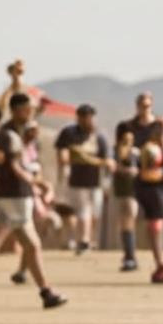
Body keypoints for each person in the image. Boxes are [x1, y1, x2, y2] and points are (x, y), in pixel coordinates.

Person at [0, 94, 68, 309]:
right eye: (27, 109)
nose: (30, 113)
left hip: (18, 197)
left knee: (22, 244)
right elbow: (12, 167)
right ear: (17, 109)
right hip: (12, 197)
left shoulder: (16, 133)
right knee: (15, 243)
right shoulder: (8, 135)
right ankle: (44, 291)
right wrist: (36, 183)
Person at [114, 93, 163, 271]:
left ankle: (160, 260)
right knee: (129, 211)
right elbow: (119, 153)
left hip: (153, 181)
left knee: (156, 221)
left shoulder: (159, 126)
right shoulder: (126, 127)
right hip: (130, 178)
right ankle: (129, 256)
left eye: (147, 105)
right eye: (142, 105)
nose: (144, 108)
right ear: (137, 105)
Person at [54, 104, 110, 255]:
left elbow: (106, 160)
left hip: (96, 181)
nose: (86, 119)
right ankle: (83, 241)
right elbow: (62, 156)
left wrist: (87, 159)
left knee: (94, 214)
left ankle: (88, 240)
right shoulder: (69, 133)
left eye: (89, 116)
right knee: (83, 211)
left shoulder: (99, 136)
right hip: (75, 181)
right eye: (83, 116)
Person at [135, 120, 163, 283]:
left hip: (159, 190)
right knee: (156, 226)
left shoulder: (161, 148)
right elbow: (145, 172)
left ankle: (160, 261)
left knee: (157, 225)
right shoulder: (148, 149)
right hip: (150, 191)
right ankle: (160, 261)